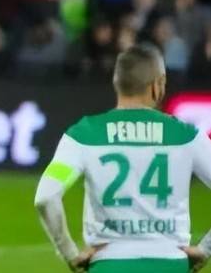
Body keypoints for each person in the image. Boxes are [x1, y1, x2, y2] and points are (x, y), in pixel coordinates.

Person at [35, 44, 211, 273]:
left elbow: (46, 197)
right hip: (170, 264)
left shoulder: (84, 134)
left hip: (108, 264)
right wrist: (206, 248)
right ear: (157, 85)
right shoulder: (186, 136)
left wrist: (69, 252)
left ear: (117, 83)